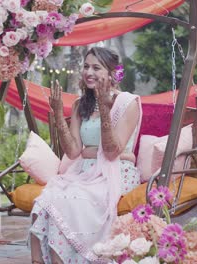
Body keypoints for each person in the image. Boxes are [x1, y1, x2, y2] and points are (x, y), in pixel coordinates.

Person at [29, 47, 142, 263]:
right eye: (86, 66)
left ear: (112, 74)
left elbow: (111, 152)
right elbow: (72, 151)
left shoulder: (128, 103)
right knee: (43, 203)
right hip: (83, 172)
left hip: (116, 172)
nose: (88, 72)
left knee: (63, 202)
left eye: (96, 68)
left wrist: (104, 108)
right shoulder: (81, 104)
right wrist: (59, 115)